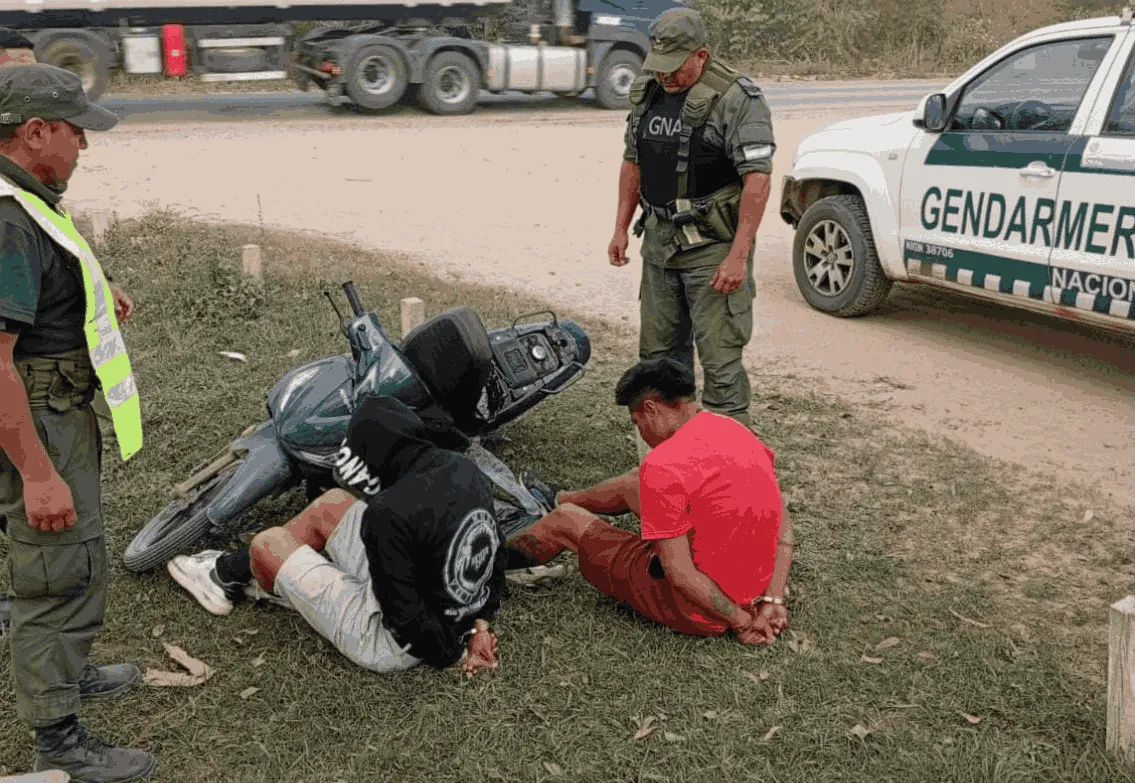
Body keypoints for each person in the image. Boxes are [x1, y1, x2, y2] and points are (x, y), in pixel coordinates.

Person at [0, 64, 152, 782]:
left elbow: (52, 269)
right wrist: (37, 473)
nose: (84, 147)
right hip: (39, 421)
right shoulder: (7, 218)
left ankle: (72, 667)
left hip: (56, 410)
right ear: (34, 133)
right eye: (74, 132)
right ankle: (59, 739)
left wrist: (99, 289)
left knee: (72, 562)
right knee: (54, 574)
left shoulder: (29, 199)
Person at [167, 393, 508, 676]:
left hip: (395, 642)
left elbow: (404, 617)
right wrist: (481, 624)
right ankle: (230, 573)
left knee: (267, 545)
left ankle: (241, 579)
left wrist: (455, 657)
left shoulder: (389, 513)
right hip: (452, 609)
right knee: (334, 504)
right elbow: (494, 551)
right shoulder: (464, 470)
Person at [507, 357, 794, 644]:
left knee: (566, 519)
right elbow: (784, 532)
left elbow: (680, 574)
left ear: (650, 409)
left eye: (637, 423)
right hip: (752, 591)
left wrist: (741, 622)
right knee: (635, 482)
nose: (641, 432)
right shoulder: (738, 432)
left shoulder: (663, 466)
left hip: (698, 609)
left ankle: (488, 564)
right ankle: (559, 497)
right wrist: (773, 598)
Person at [608, 7, 776, 429]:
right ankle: (671, 466)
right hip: (661, 246)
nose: (666, 76)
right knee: (659, 364)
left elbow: (757, 180)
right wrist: (619, 230)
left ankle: (727, 468)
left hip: (712, 250)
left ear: (701, 55)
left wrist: (738, 255)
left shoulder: (738, 99)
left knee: (720, 365)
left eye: (676, 66)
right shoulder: (648, 91)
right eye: (659, 64)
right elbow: (633, 162)